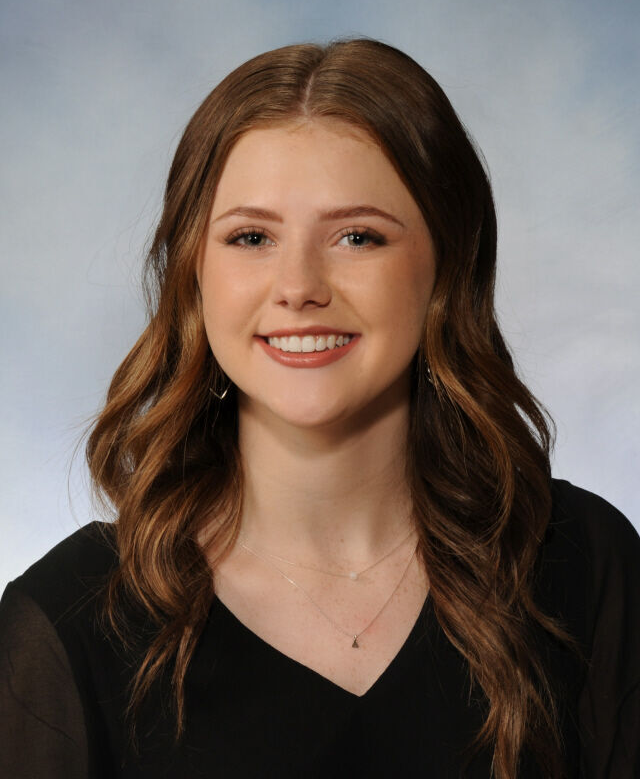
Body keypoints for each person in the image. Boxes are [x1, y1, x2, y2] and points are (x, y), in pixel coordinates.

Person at [0, 38, 638, 779]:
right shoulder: (67, 623)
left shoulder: (584, 567)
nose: (299, 286)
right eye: (251, 237)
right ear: (193, 273)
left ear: (448, 264)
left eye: (357, 236)